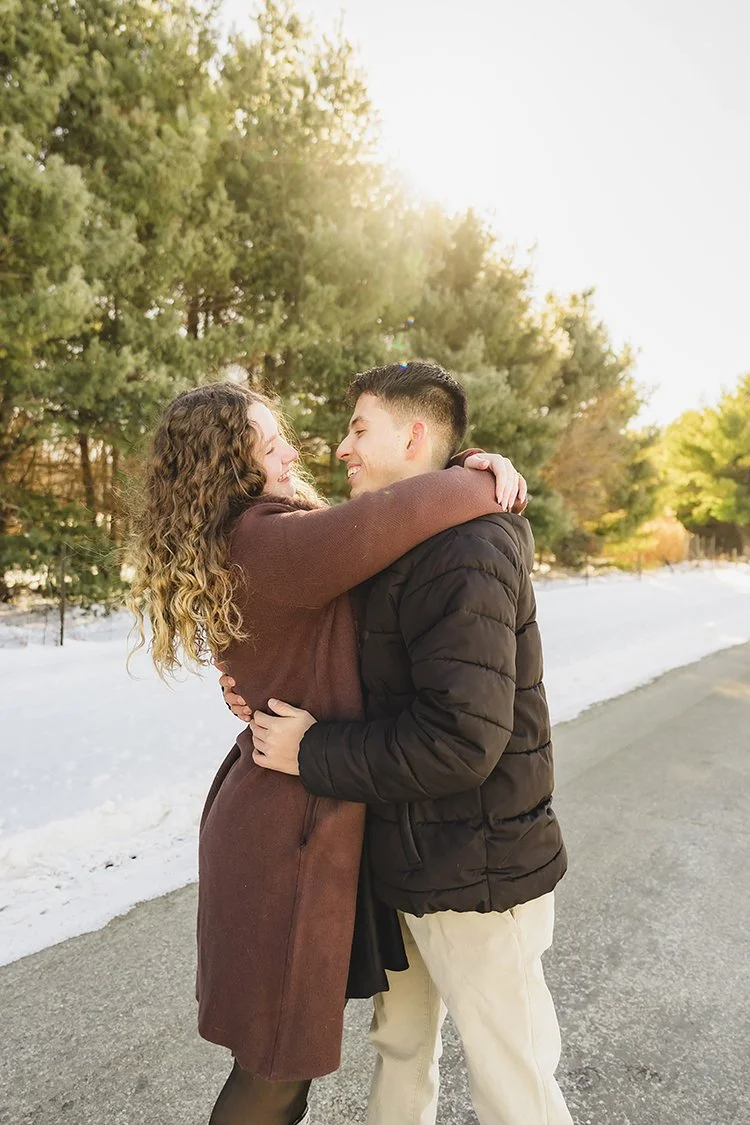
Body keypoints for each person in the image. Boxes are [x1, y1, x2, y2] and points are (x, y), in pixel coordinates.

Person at [126, 377, 525, 1125]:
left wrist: (459, 461)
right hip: (285, 831)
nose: (293, 449)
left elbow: (384, 519)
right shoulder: (270, 541)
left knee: (283, 1068)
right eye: (268, 441)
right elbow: (399, 510)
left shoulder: (265, 533)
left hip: (285, 814)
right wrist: (481, 473)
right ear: (226, 463)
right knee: (275, 1070)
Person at [225, 362, 571, 1125]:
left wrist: (313, 751)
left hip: (479, 872)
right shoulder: (388, 539)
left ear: (414, 437)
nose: (340, 447)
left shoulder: (468, 548)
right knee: (403, 1052)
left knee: (515, 1085)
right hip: (401, 866)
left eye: (359, 427)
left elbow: (461, 741)